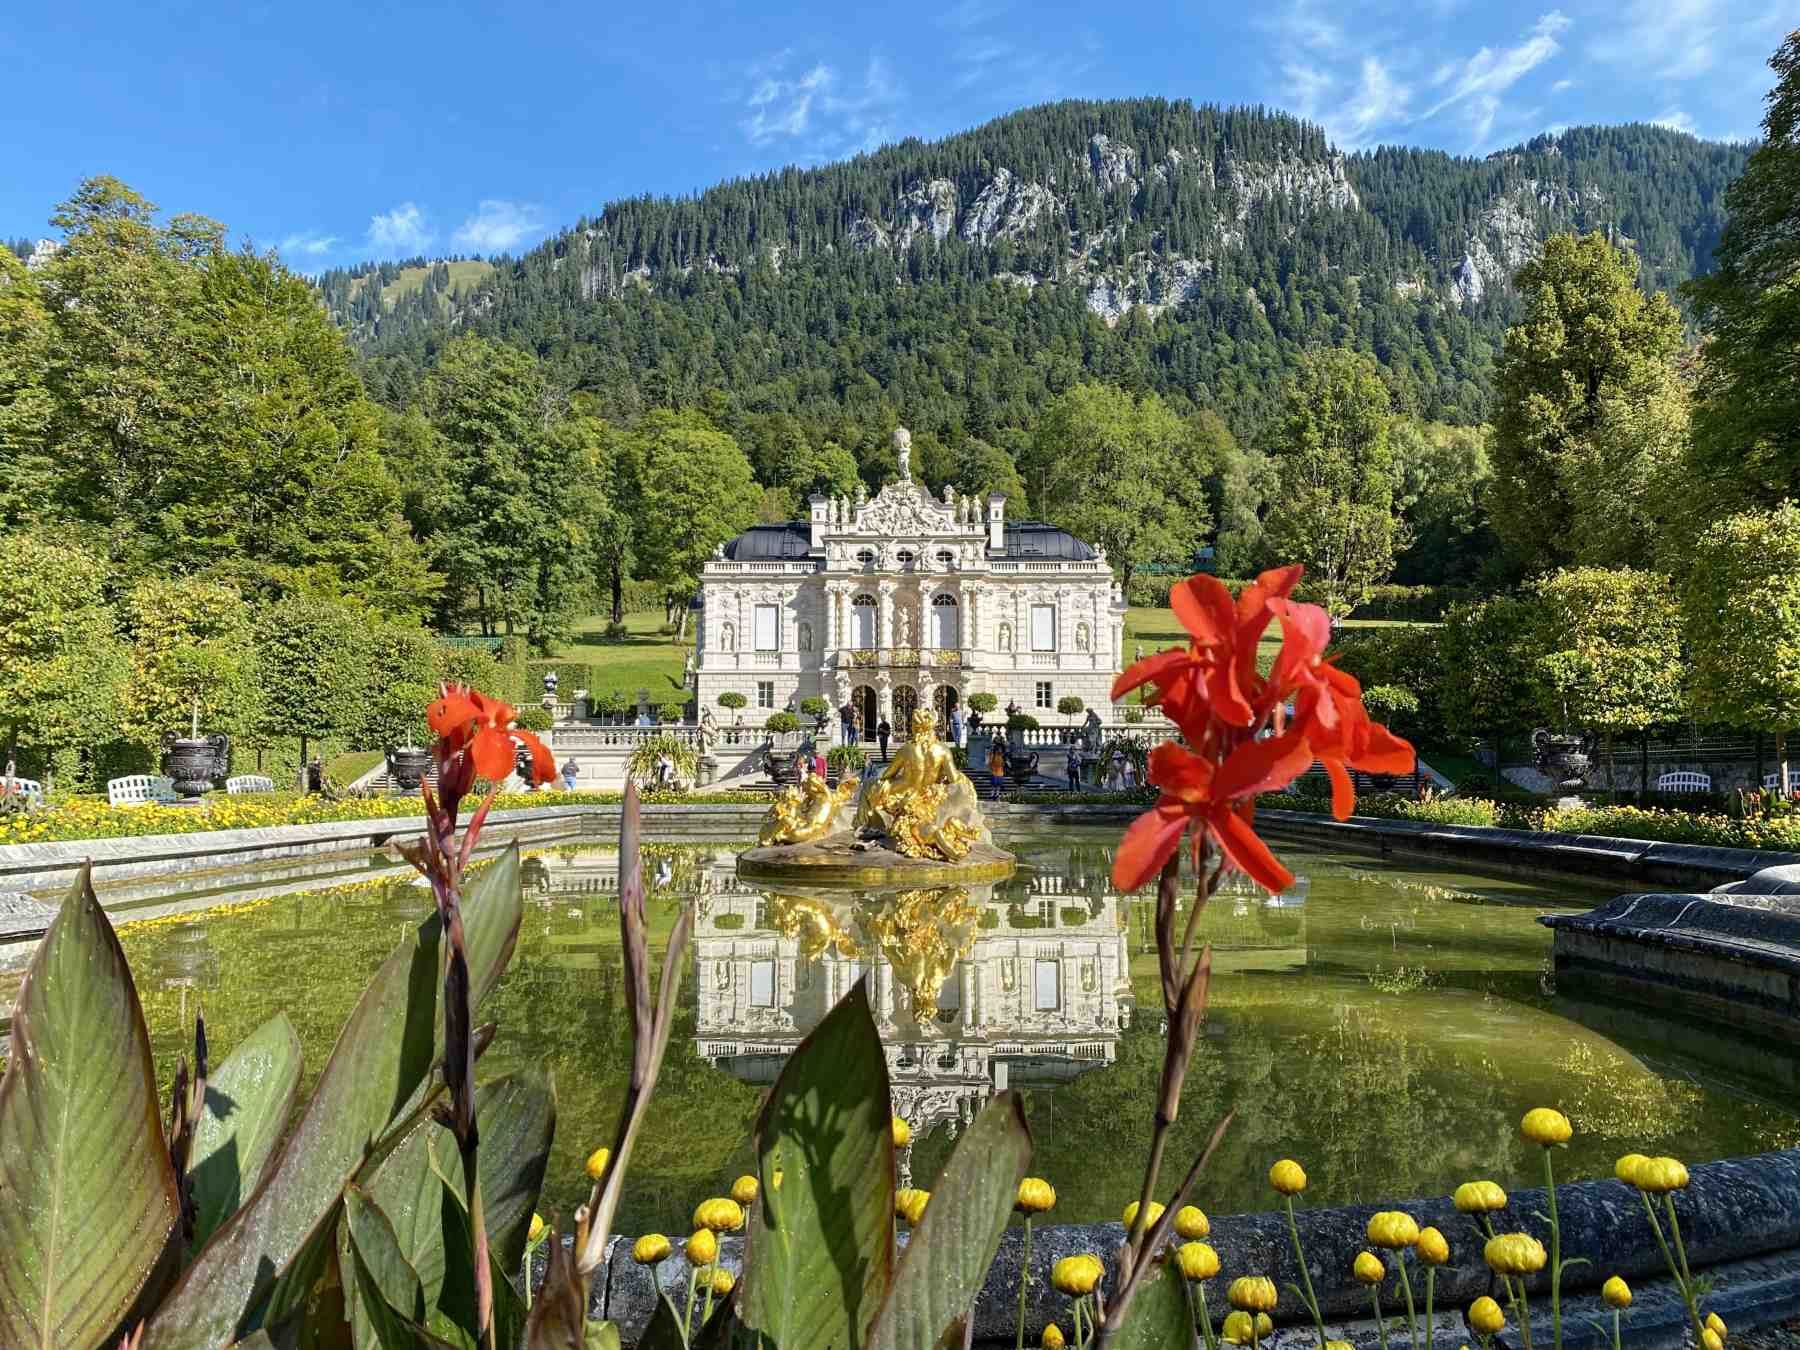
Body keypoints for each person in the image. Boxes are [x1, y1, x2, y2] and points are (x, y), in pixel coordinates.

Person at [988, 735, 1007, 800]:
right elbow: (990, 762)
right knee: (993, 784)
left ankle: (997, 794)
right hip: (994, 771)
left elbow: (1004, 763)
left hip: (1000, 771)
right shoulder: (993, 755)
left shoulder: (1002, 756)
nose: (999, 751)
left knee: (998, 784)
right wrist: (990, 767)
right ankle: (992, 794)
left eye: (1000, 750)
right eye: (998, 750)